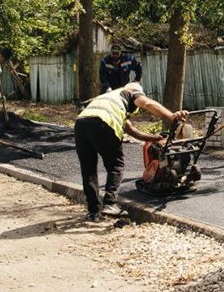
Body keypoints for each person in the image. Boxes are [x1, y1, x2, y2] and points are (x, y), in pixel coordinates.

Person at [74, 81, 187, 221]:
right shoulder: (131, 91)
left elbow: (131, 130)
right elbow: (148, 104)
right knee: (116, 166)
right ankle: (109, 203)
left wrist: (153, 138)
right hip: (102, 123)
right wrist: (171, 116)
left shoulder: (110, 99)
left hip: (80, 125)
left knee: (88, 170)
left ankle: (93, 212)